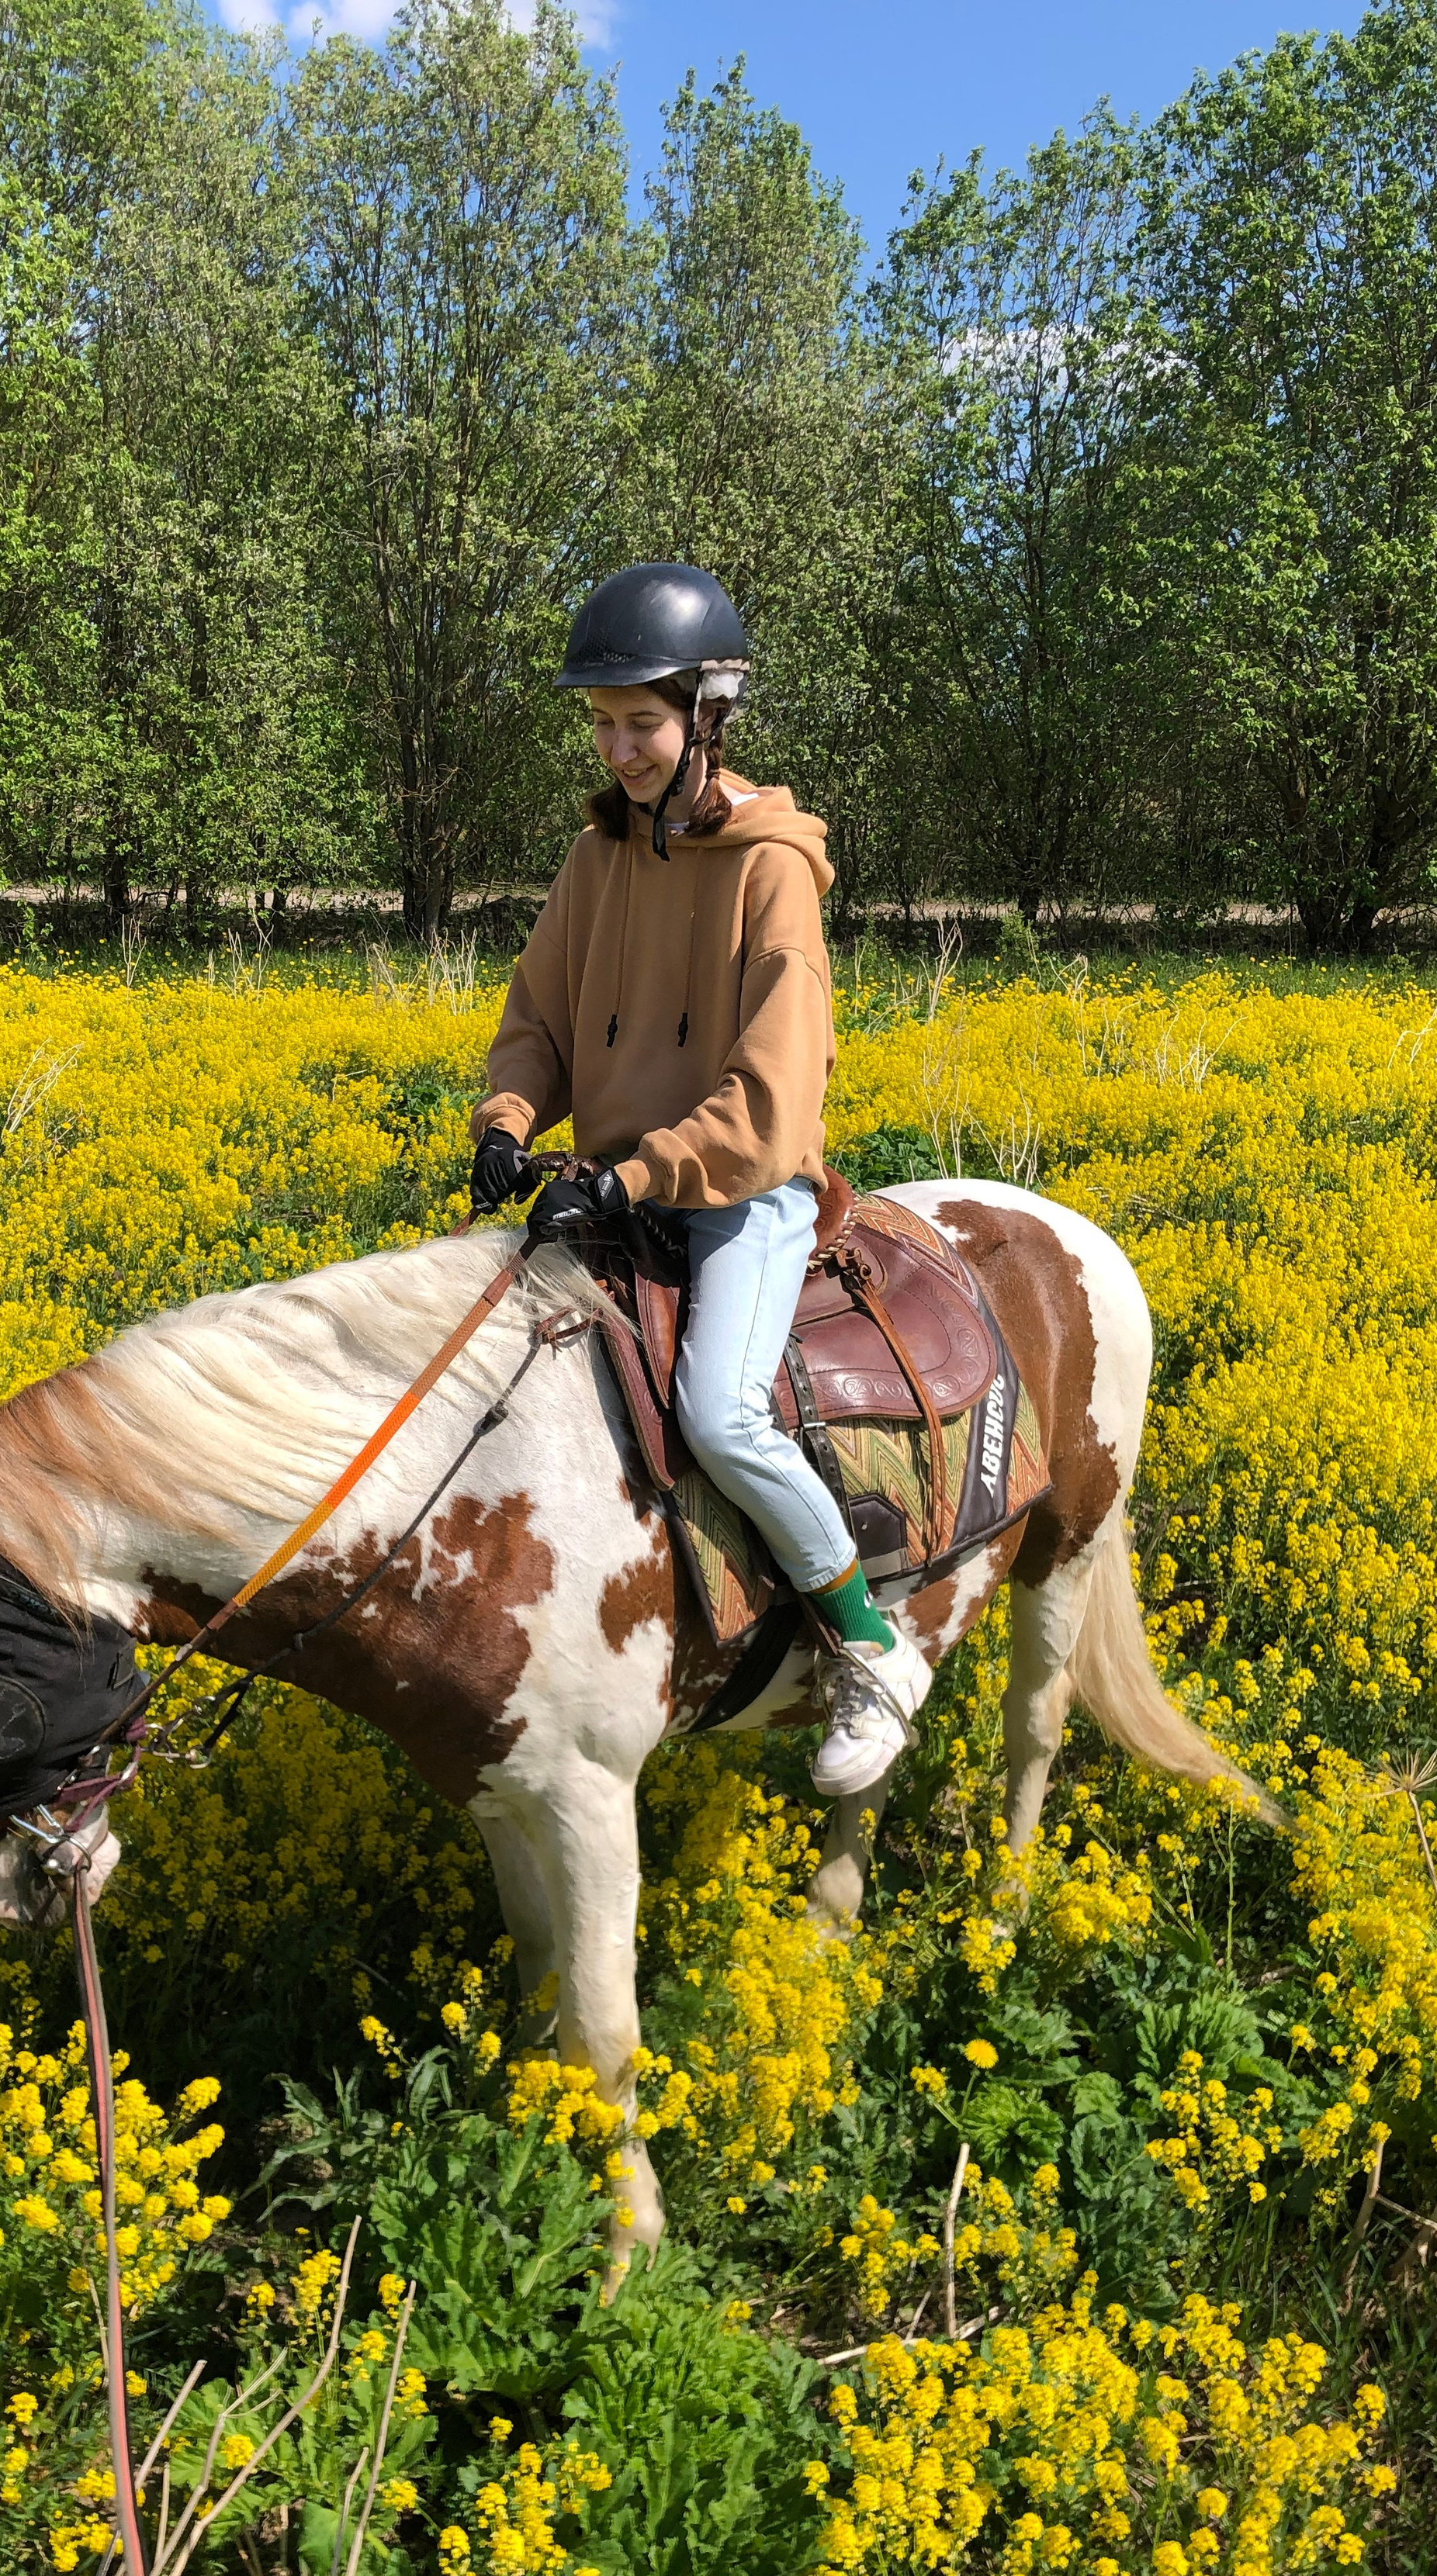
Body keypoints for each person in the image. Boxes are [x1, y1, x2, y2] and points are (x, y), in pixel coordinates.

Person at [467, 561, 933, 1796]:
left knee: (721, 1413)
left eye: (643, 722)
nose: (620, 747)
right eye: (604, 723)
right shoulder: (596, 855)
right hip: (616, 1184)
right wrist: (510, 1117)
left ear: (706, 718)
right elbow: (541, 1016)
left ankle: (871, 1645)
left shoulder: (772, 869)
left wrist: (632, 1179)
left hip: (741, 1193)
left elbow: (770, 1103)